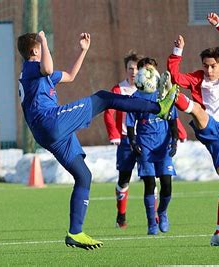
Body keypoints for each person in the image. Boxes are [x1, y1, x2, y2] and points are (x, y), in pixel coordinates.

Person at [17, 31, 177, 250]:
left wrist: (83, 51)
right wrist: (43, 40)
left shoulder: (39, 75)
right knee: (103, 98)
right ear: (35, 51)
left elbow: (71, 76)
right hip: (50, 122)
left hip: (47, 131)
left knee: (84, 175)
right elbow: (47, 68)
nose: (47, 50)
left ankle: (75, 232)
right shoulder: (30, 68)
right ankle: (159, 108)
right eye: (43, 48)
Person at [166, 13, 219, 246]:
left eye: (212, 66)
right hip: (207, 125)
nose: (208, 71)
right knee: (198, 110)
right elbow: (176, 76)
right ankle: (174, 96)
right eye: (205, 66)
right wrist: (176, 53)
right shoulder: (199, 79)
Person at [126, 58, 179, 235]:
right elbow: (130, 124)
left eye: (151, 69)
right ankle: (151, 223)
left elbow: (173, 119)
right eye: (145, 69)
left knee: (166, 184)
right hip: (145, 145)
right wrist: (133, 142)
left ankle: (162, 212)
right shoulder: (135, 98)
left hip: (162, 145)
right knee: (149, 183)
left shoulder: (163, 93)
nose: (148, 73)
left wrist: (174, 139)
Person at [103, 51, 142, 229]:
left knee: (150, 178)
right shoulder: (118, 89)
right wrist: (114, 134)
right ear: (126, 70)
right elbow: (109, 113)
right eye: (130, 68)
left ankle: (155, 217)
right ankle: (121, 214)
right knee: (124, 179)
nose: (133, 72)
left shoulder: (148, 89)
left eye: (136, 68)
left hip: (145, 140)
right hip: (126, 141)